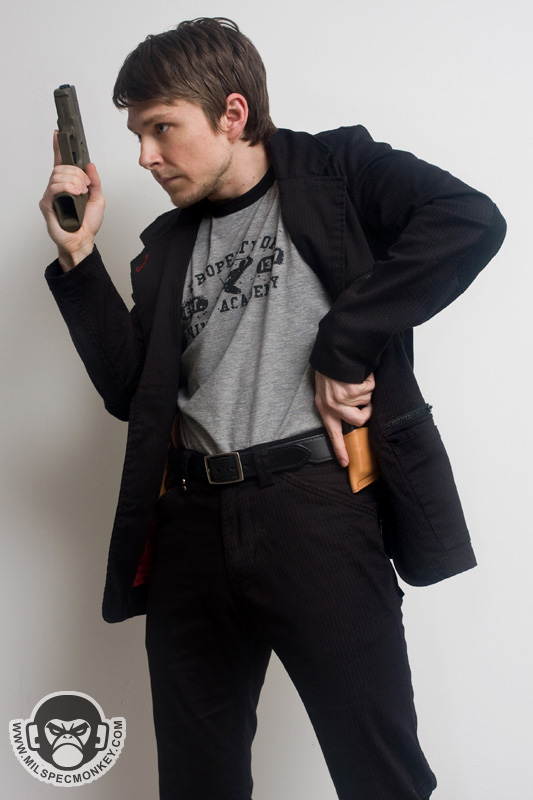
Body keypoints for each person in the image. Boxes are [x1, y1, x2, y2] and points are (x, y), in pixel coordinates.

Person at [39, 17, 506, 800]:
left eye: (161, 128)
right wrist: (79, 254)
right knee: (196, 783)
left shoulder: (337, 170)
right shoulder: (167, 246)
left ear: (232, 113)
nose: (145, 156)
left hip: (316, 511)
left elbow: (469, 221)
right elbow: (131, 394)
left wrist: (342, 342)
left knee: (380, 776)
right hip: (189, 526)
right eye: (137, 135)